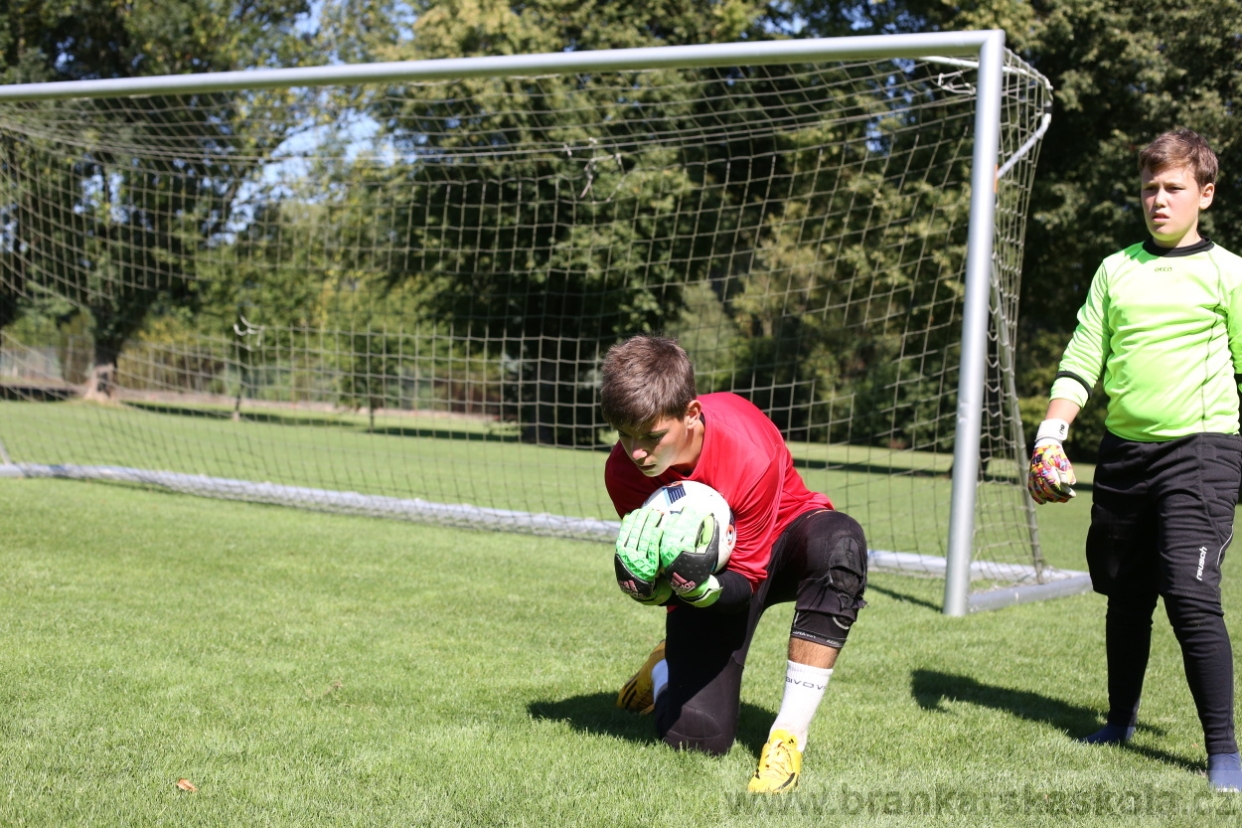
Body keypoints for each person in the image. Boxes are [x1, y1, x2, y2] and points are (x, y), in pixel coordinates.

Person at [1027, 128, 1242, 792]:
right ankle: (1119, 721)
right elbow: (1083, 357)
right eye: (1149, 187)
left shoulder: (1228, 272)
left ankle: (1225, 754)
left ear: (1204, 194)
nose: (1158, 199)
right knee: (1125, 596)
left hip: (1202, 451)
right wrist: (1051, 434)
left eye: (1173, 188)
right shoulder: (1115, 269)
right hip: (1123, 455)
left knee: (1190, 594)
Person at [600, 334, 868, 794]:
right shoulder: (623, 473)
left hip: (784, 542)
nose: (637, 452)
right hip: (712, 572)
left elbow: (747, 577)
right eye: (625, 435)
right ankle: (664, 667)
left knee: (840, 545)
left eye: (651, 436)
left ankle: (788, 737)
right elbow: (664, 572)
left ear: (691, 414)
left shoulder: (746, 447)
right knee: (695, 739)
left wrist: (706, 591)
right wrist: (650, 584)